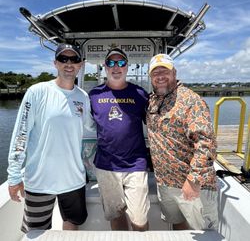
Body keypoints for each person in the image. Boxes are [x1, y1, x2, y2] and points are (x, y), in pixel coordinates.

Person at [7, 43, 95, 233]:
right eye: (63, 59)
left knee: (72, 226)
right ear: (55, 63)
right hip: (39, 180)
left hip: (74, 179)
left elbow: (91, 128)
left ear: (81, 64)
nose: (69, 63)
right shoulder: (36, 92)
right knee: (36, 232)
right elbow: (21, 134)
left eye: (74, 59)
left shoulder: (84, 97)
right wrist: (14, 175)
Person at [146, 53, 218, 231]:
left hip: (191, 185)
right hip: (165, 183)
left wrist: (193, 180)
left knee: (201, 231)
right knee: (178, 225)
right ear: (150, 77)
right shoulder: (152, 101)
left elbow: (206, 144)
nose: (160, 76)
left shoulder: (190, 101)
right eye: (155, 73)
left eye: (165, 71)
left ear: (174, 73)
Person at [89, 48, 150, 231]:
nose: (117, 67)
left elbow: (156, 124)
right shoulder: (93, 95)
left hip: (135, 164)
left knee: (139, 219)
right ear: (105, 67)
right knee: (116, 216)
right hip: (106, 165)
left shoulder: (140, 94)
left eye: (121, 63)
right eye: (112, 63)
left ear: (127, 66)